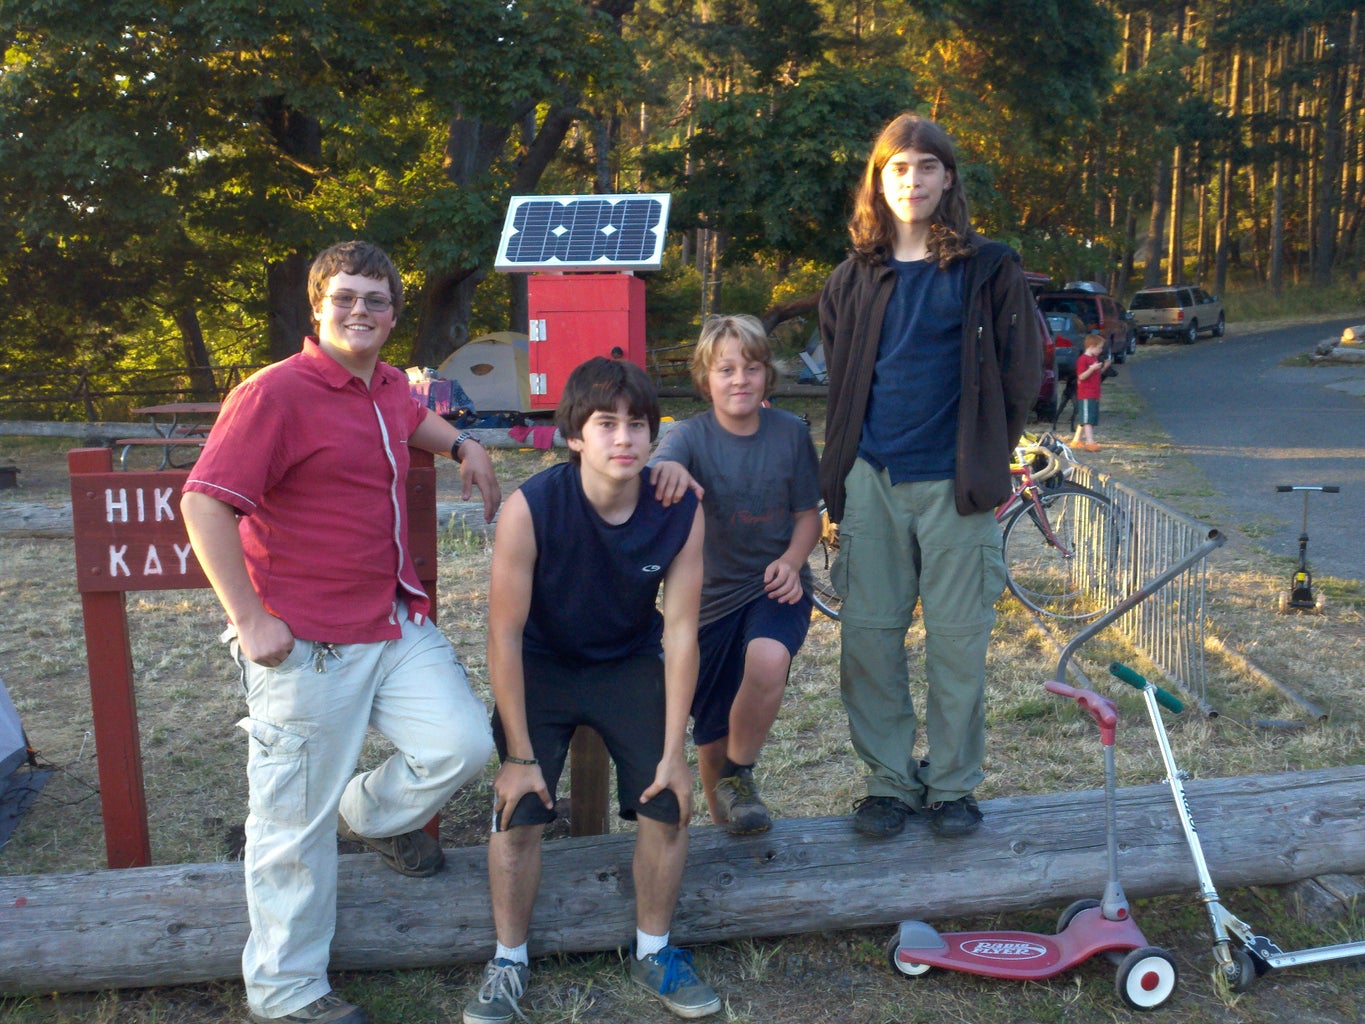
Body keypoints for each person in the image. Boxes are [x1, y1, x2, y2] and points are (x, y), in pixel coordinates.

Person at [182, 240, 500, 1024]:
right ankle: (287, 992)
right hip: (307, 641)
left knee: (464, 744)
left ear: (394, 314)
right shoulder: (273, 395)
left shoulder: (386, 385)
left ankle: (364, 815)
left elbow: (406, 417)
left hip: (392, 621)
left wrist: (464, 444)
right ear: (318, 305)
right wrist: (249, 618)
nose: (361, 311)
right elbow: (203, 503)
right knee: (291, 824)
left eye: (376, 299)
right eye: (345, 298)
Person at [463, 356, 719, 1024]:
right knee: (518, 809)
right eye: (606, 424)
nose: (624, 438)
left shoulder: (678, 507)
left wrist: (675, 752)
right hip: (542, 662)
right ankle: (508, 960)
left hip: (627, 658)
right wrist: (517, 756)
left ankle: (655, 949)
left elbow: (684, 632)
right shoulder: (531, 508)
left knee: (667, 802)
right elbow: (504, 634)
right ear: (574, 434)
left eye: (637, 424)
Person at [818, 113, 1042, 840]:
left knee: (956, 644)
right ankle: (888, 783)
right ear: (877, 183)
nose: (910, 180)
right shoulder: (852, 279)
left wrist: (983, 454)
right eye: (896, 168)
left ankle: (950, 788)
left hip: (955, 488)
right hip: (870, 483)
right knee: (870, 644)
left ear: (947, 177)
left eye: (924, 166)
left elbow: (1020, 375)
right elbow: (843, 385)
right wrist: (841, 480)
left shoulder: (988, 268)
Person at [650, 314, 821, 834]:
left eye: (751, 368)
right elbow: (657, 466)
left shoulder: (791, 433)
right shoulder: (688, 438)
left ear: (768, 375)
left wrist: (792, 562)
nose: (740, 379)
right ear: (706, 378)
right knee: (712, 734)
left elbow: (808, 516)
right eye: (726, 369)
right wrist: (669, 469)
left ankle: (741, 776)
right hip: (706, 604)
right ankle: (728, 824)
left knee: (767, 661)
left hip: (775, 586)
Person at [1070, 333, 1111, 452]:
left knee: (1087, 417)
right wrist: (1091, 368)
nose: (1101, 350)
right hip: (1086, 393)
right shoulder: (1083, 359)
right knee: (1088, 419)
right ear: (1092, 346)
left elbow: (1096, 374)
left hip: (1094, 393)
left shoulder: (1093, 358)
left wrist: (1104, 367)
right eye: (1099, 347)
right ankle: (1090, 442)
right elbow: (1081, 376)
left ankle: (1076, 439)